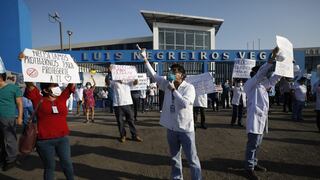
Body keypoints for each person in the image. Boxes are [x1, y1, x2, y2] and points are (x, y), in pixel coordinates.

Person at [143, 53, 202, 180]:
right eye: (171, 71)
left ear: (181, 75)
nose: (171, 73)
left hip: (185, 129)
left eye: (174, 72)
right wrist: (145, 60)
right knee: (175, 158)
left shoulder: (189, 88)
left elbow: (185, 103)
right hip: (172, 128)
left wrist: (174, 90)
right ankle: (177, 178)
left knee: (192, 159)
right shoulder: (167, 83)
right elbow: (154, 75)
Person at [243, 47, 282, 180]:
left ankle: (254, 163)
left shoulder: (263, 85)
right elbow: (261, 73)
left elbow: (275, 79)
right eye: (259, 73)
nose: (264, 75)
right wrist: (272, 58)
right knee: (252, 144)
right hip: (254, 119)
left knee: (258, 144)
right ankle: (248, 168)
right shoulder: (250, 84)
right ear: (253, 74)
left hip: (262, 119)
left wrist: (285, 66)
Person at [25, 82, 75, 180]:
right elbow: (30, 85)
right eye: (54, 86)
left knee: (67, 163)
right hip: (44, 141)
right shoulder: (38, 99)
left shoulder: (61, 98)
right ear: (45, 90)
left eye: (57, 85)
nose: (57, 88)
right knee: (50, 167)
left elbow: (71, 85)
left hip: (62, 139)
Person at [106, 75, 143, 143]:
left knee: (131, 120)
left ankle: (134, 135)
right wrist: (108, 74)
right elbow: (107, 82)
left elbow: (135, 83)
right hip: (118, 104)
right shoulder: (114, 82)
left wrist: (135, 76)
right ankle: (123, 136)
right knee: (120, 122)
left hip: (128, 104)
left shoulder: (128, 81)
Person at [0, 71, 23, 171]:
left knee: (9, 140)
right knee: (1, 140)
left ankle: (11, 160)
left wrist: (20, 117)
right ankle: (3, 158)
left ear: (1, 77)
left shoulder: (13, 88)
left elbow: (19, 104)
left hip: (8, 118)